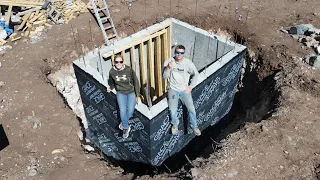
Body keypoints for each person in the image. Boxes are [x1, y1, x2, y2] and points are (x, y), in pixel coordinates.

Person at [163, 45, 201, 136]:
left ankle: (194, 126)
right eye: (177, 53)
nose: (179, 55)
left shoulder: (188, 63)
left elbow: (196, 75)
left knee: (191, 109)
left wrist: (190, 87)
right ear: (174, 53)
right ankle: (175, 125)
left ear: (184, 54)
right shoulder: (169, 62)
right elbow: (164, 76)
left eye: (181, 53)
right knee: (172, 110)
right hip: (172, 89)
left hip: (184, 90)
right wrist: (168, 68)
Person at [107, 55, 141, 138]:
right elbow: (112, 82)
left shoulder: (128, 70)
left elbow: (136, 82)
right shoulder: (112, 71)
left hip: (131, 91)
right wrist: (111, 88)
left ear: (123, 62)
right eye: (116, 62)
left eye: (120, 62)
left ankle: (123, 123)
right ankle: (126, 128)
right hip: (120, 92)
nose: (118, 63)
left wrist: (138, 95)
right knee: (122, 111)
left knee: (130, 111)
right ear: (114, 63)